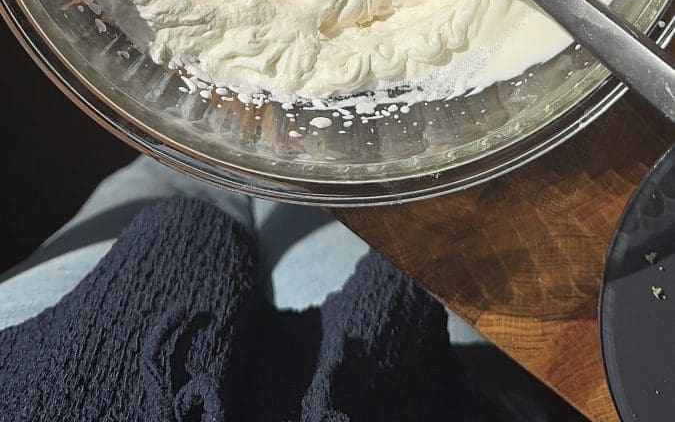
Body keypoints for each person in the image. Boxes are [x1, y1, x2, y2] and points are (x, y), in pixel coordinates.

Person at [0, 157, 583, 420]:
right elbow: (190, 236)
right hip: (389, 387)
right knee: (281, 160)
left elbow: (186, 236)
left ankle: (235, 121)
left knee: (187, 161)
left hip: (49, 378)